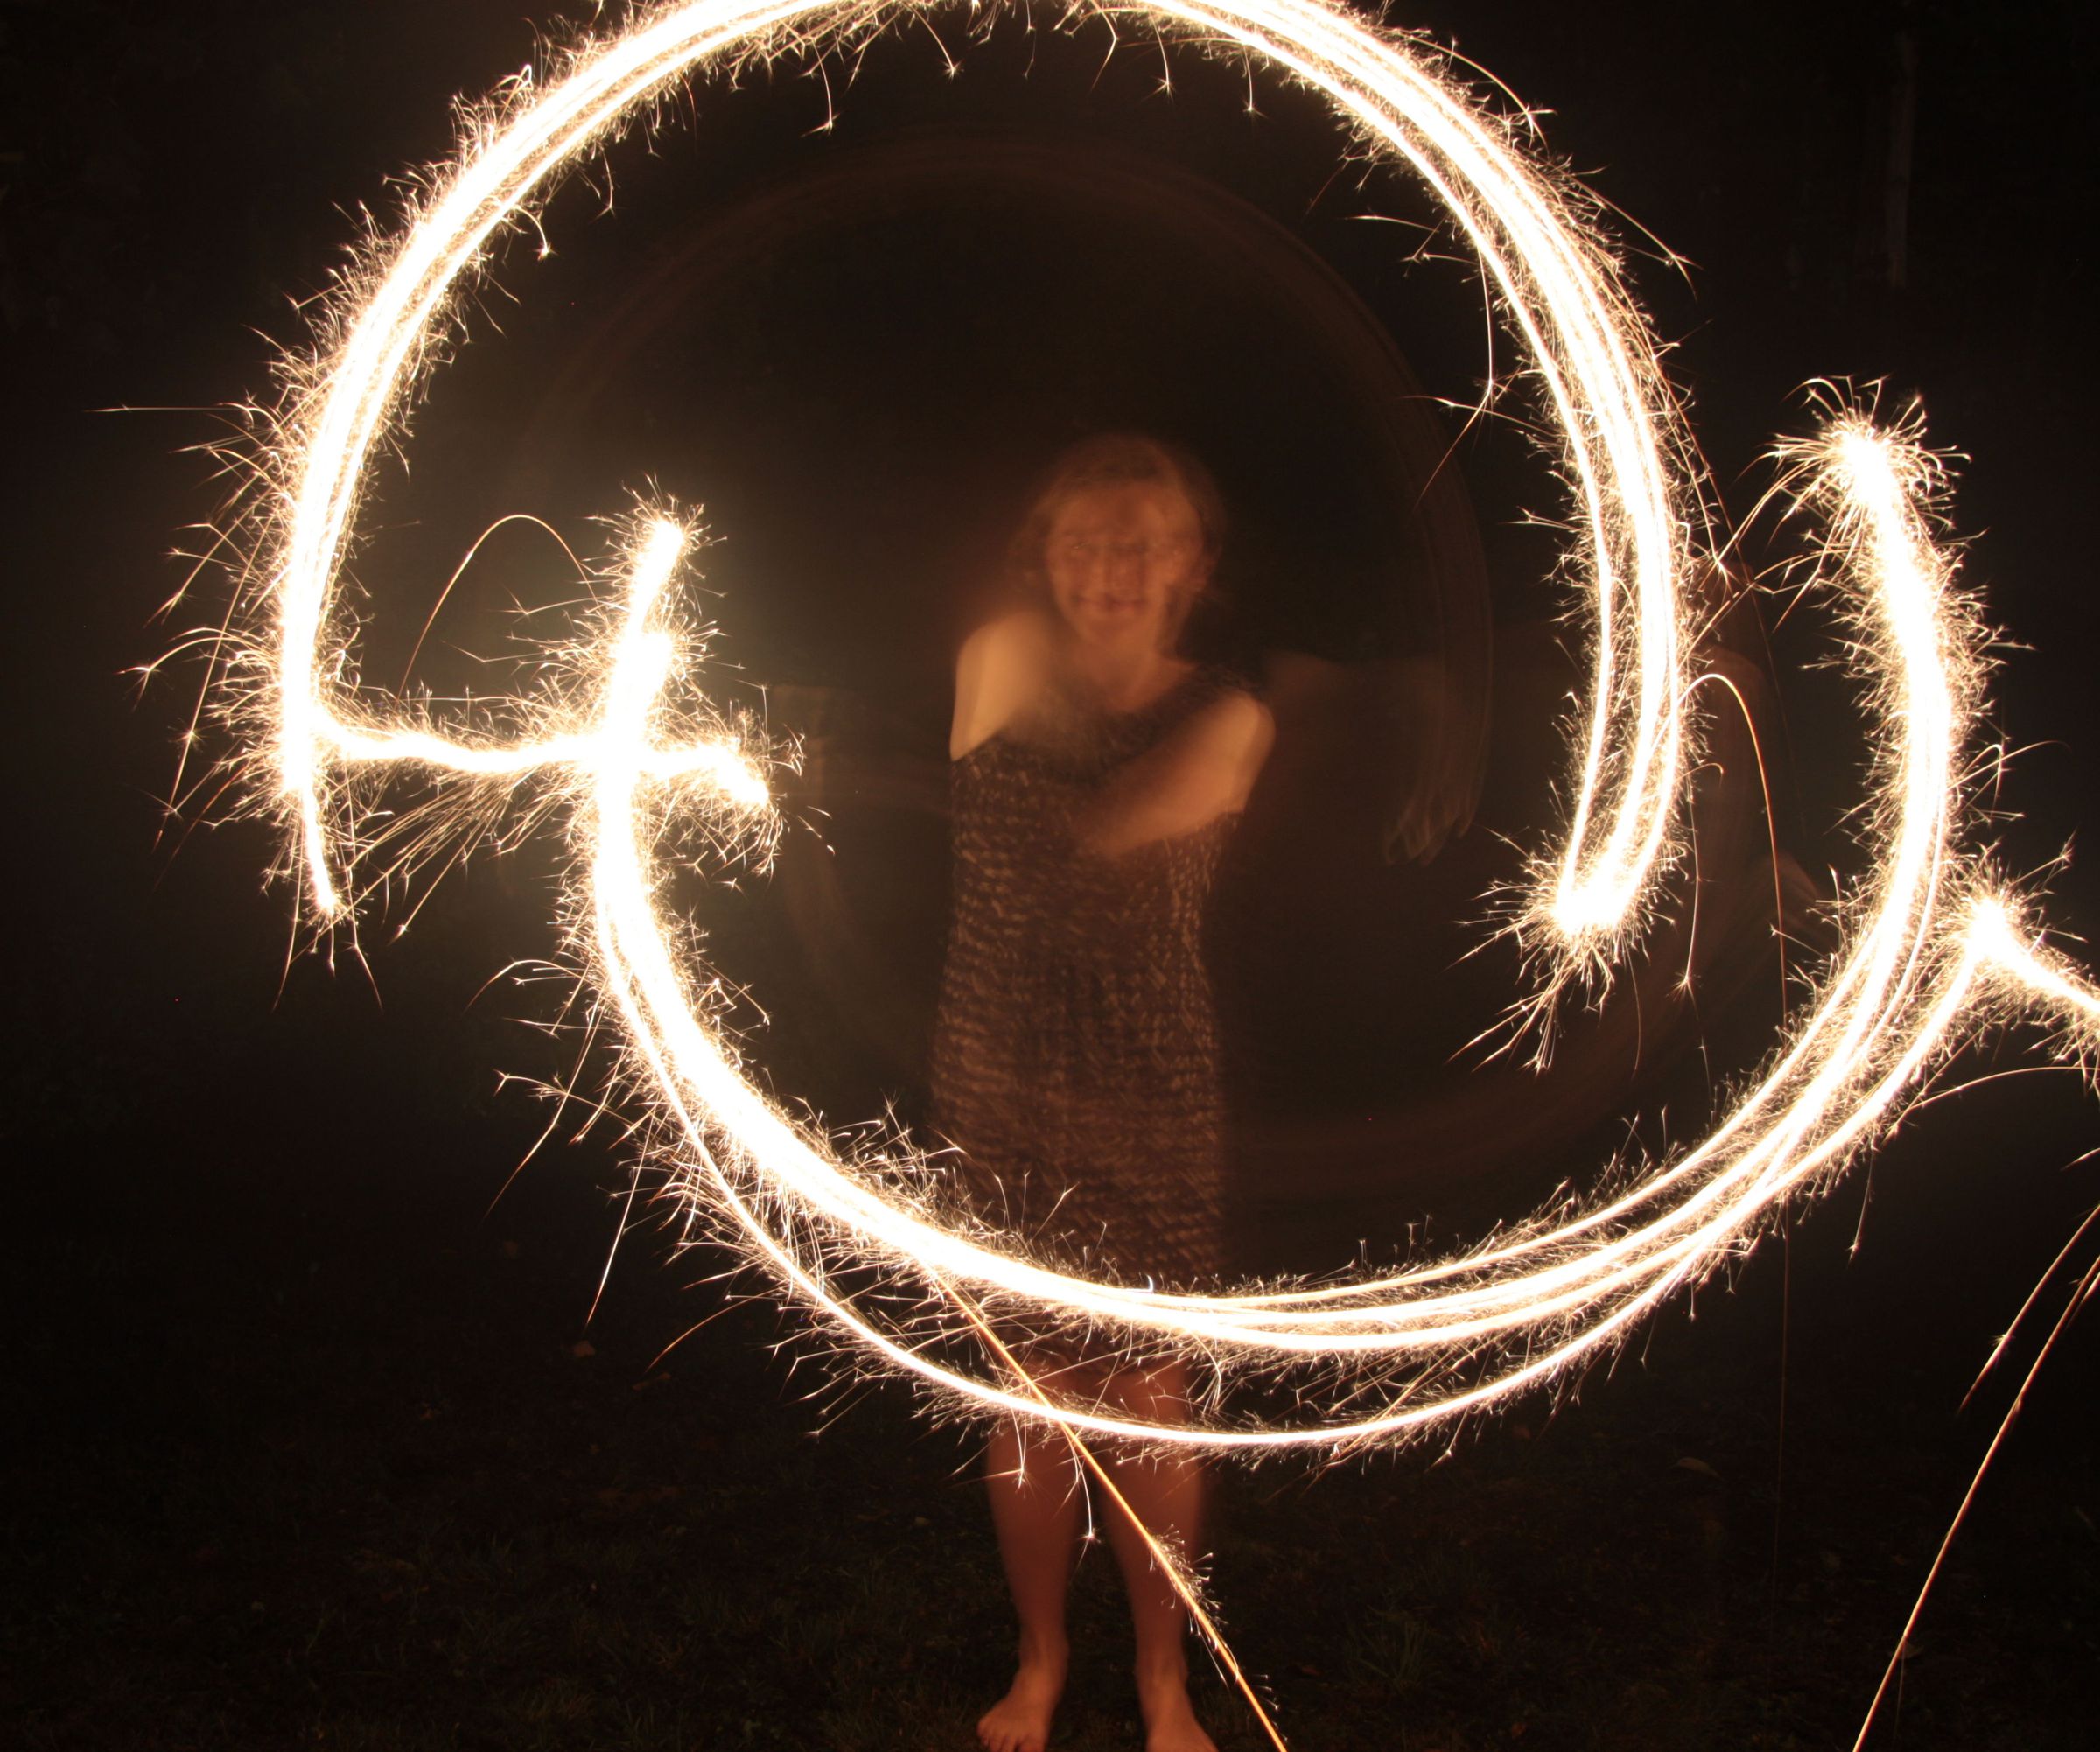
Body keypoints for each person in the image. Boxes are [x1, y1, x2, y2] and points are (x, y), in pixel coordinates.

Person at [930, 434, 1273, 1752]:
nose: (1110, 567)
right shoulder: (1001, 660)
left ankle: (1162, 1675)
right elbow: (1065, 817)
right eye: (1083, 540)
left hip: (1149, 1080)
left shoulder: (1232, 711)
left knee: (1150, 1393)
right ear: (1045, 555)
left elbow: (1113, 824)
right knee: (1031, 1384)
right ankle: (1041, 1657)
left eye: (1142, 542)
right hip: (1002, 1067)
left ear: (1192, 562)